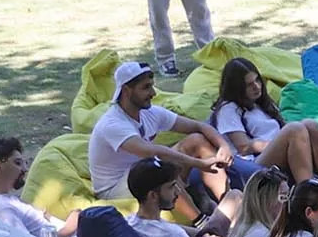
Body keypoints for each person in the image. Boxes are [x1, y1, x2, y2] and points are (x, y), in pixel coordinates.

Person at [87, 61, 231, 206]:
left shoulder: (150, 113)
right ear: (126, 90)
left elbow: (198, 126)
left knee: (196, 141)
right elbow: (151, 152)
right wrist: (200, 163)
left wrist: (223, 146)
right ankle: (200, 221)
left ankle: (228, 206)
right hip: (113, 190)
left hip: (142, 173)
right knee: (158, 167)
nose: (153, 93)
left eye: (152, 86)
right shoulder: (112, 123)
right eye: (146, 88)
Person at [210, 56, 318, 190]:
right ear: (236, 88)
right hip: (253, 165)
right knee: (295, 130)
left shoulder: (261, 103)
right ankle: (306, 194)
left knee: (311, 125)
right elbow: (244, 147)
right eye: (249, 85)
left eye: (257, 80)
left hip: (277, 153)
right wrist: (281, 143)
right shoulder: (229, 108)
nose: (256, 87)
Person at [0, 137, 73, 237]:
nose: (25, 169)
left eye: (25, 163)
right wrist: (70, 227)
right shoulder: (0, 208)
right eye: (18, 163)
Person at [122, 156, 223, 237]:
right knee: (234, 196)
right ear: (153, 195)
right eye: (171, 187)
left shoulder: (128, 223)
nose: (178, 191)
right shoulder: (173, 236)